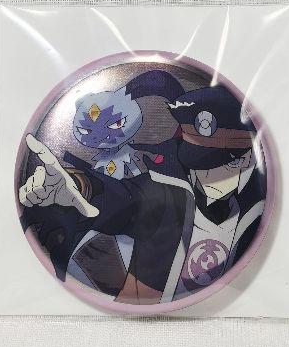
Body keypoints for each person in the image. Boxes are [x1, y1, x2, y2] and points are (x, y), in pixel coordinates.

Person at [19, 84, 267, 305]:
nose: (208, 175)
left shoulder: (256, 206)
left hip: (229, 303)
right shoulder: (166, 195)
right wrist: (80, 185)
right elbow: (121, 199)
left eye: (228, 163)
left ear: (248, 159)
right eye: (200, 164)